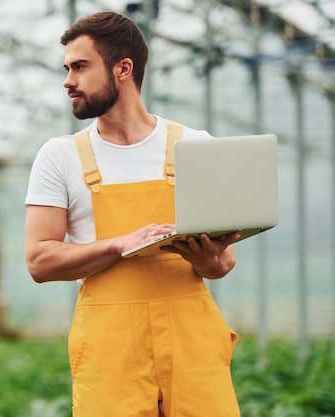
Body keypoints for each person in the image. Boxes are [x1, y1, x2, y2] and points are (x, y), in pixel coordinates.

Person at [24, 11, 242, 417]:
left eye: (80, 67)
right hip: (111, 349)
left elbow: (223, 262)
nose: (68, 80)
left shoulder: (195, 145)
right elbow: (39, 260)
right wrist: (122, 245)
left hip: (191, 339)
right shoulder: (60, 156)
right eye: (67, 68)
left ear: (123, 68)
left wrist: (207, 258)